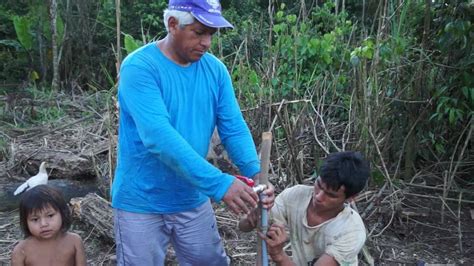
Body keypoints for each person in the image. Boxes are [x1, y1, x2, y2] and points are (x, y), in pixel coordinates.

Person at [111, 0, 274, 265]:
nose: (207, 42)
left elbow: (232, 126)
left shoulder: (215, 71)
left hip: (191, 195)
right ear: (173, 24)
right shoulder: (140, 68)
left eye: (211, 34)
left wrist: (256, 175)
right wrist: (220, 183)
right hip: (141, 200)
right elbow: (158, 137)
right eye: (199, 32)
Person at [239, 151, 370, 266]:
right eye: (318, 185)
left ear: (350, 198)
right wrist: (256, 214)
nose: (318, 196)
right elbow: (243, 227)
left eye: (330, 195)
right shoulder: (295, 196)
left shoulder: (351, 232)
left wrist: (278, 255)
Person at [10, 184, 86, 266]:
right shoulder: (21, 251)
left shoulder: (74, 242)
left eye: (50, 216)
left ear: (62, 213)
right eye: (35, 219)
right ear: (26, 222)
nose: (43, 224)